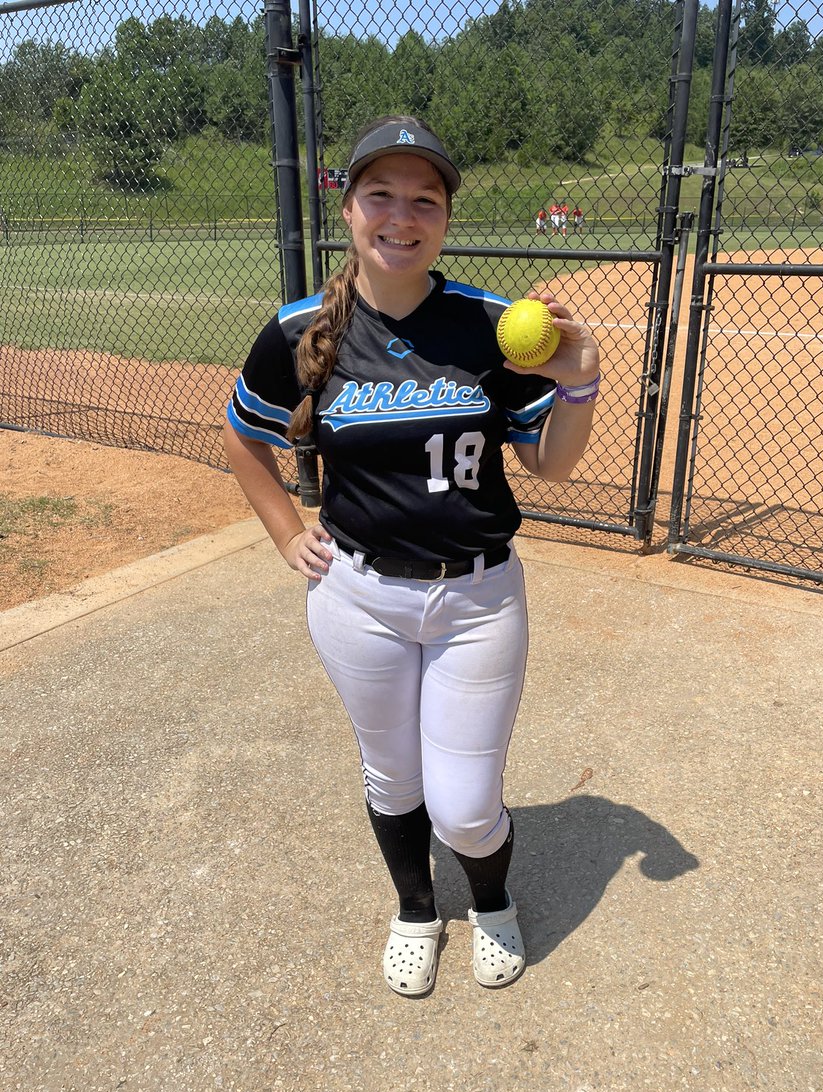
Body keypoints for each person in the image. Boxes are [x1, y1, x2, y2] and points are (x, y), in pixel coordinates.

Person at [224, 116, 600, 998]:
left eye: (423, 199)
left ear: (444, 216)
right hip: (357, 596)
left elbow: (549, 464)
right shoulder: (298, 330)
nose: (402, 215)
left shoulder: (492, 326)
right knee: (394, 779)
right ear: (348, 208)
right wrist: (286, 531)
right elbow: (243, 439)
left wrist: (578, 382)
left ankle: (493, 900)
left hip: (478, 600)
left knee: (467, 808)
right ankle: (416, 911)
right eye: (380, 195)